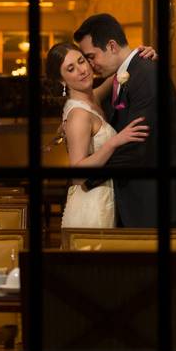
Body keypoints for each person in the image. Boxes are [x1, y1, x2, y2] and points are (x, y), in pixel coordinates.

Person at [74, 13, 176, 228]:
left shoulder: (146, 74)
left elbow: (138, 145)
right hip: (138, 199)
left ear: (112, 46)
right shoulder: (125, 75)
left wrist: (91, 176)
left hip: (153, 200)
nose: (90, 65)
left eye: (91, 56)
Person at [46, 42, 150, 228]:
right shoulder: (79, 115)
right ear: (62, 81)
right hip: (90, 207)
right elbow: (78, 176)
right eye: (71, 68)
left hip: (103, 199)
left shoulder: (92, 97)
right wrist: (114, 142)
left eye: (81, 61)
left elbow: (120, 71)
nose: (82, 70)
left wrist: (140, 54)